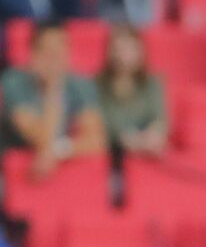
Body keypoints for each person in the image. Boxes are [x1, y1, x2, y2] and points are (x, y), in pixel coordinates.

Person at [0, 22, 104, 172]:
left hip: (61, 174)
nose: (54, 59)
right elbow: (41, 139)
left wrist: (58, 151)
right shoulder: (13, 83)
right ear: (33, 53)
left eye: (59, 51)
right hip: (12, 173)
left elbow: (96, 140)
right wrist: (53, 90)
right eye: (48, 52)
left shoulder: (81, 84)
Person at [94, 25, 167, 157]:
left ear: (140, 51)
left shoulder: (153, 83)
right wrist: (124, 139)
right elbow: (98, 123)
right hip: (109, 153)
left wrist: (152, 135)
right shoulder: (97, 84)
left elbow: (160, 121)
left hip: (146, 151)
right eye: (118, 49)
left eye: (129, 49)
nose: (123, 56)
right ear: (109, 52)